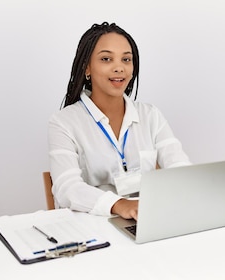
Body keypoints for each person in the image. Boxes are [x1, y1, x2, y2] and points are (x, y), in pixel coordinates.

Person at [48, 22, 191, 220]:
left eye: (126, 59)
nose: (119, 67)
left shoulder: (150, 115)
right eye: (106, 59)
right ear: (87, 67)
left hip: (147, 220)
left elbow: (179, 166)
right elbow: (67, 188)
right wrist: (118, 204)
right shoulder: (64, 122)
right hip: (95, 227)